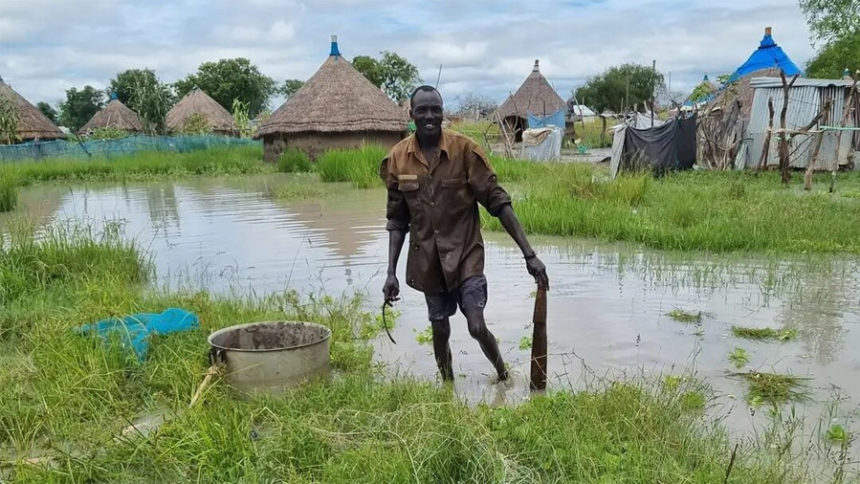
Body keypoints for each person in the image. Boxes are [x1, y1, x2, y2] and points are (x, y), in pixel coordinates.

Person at [380, 85, 549, 382]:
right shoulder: (397, 158)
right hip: (428, 261)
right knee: (439, 329)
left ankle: (503, 374)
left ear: (443, 112)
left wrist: (529, 254)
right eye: (423, 110)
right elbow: (397, 220)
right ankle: (448, 386)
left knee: (475, 325)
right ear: (411, 115)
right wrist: (391, 272)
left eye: (436, 109)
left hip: (466, 254)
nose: (430, 116)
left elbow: (498, 202)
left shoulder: (466, 150)